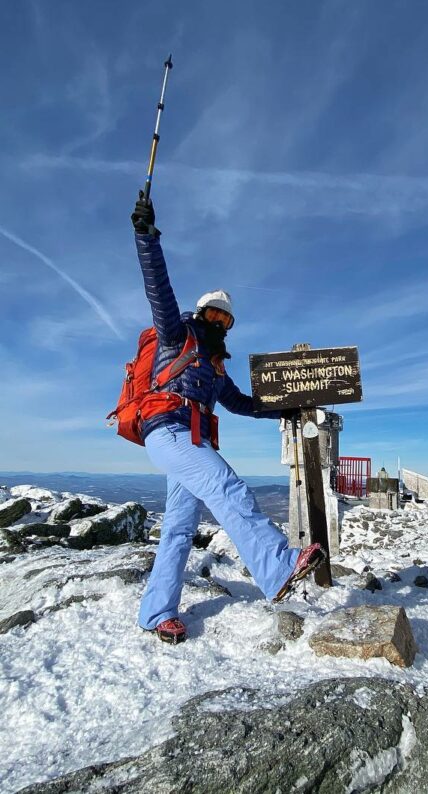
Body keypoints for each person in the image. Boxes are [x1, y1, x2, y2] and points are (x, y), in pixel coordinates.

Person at [131, 191, 324, 644]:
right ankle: (277, 567)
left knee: (179, 526)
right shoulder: (174, 336)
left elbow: (240, 403)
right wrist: (147, 236)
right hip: (167, 429)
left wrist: (284, 407)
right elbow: (158, 287)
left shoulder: (216, 369)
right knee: (226, 487)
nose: (220, 321)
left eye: (227, 318)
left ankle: (156, 613)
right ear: (200, 314)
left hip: (191, 441)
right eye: (214, 314)